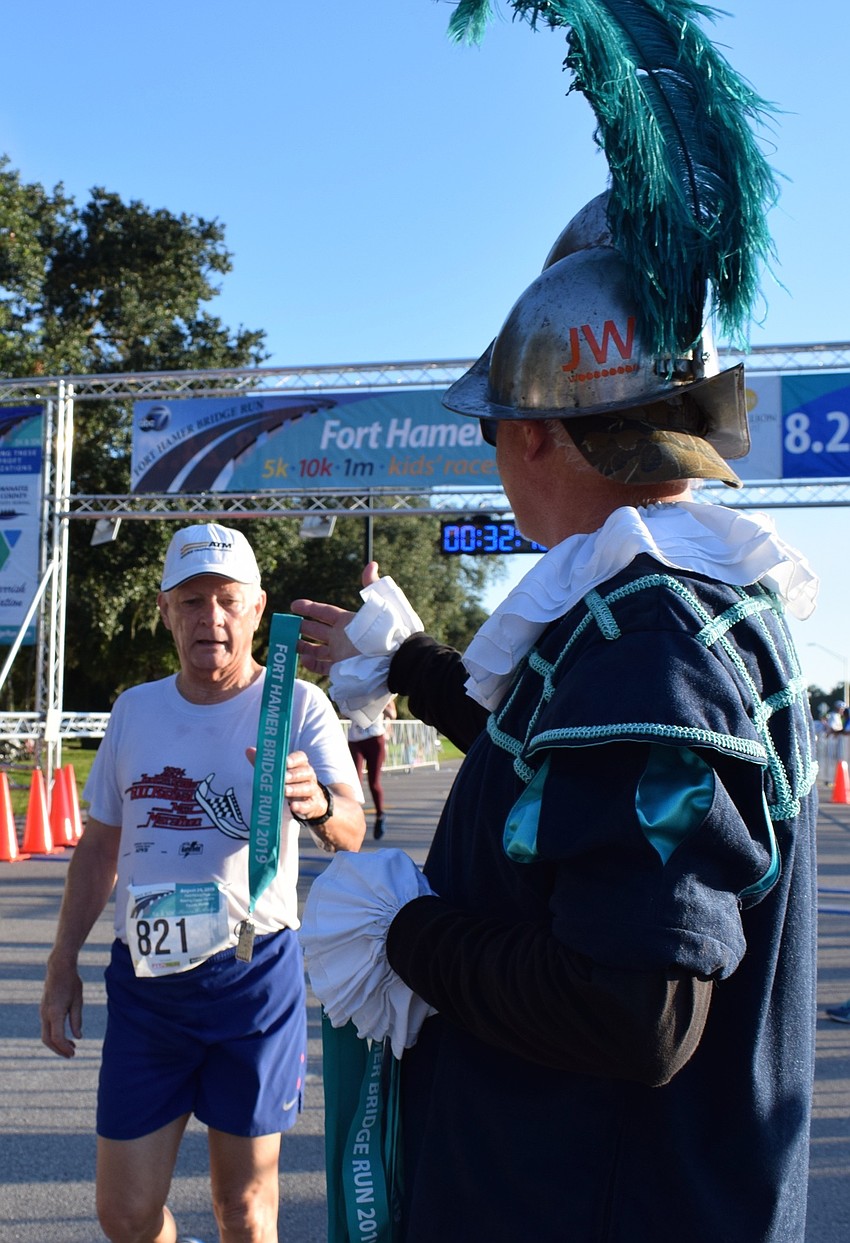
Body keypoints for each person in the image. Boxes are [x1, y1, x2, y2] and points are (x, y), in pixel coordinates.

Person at [291, 197, 820, 1242]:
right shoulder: (669, 604)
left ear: (533, 429)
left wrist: (404, 931)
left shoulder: (647, 643)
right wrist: (405, 662)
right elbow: (550, 761)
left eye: (491, 425)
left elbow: (632, 1008)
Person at [40, 522, 365, 1243]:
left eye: (225, 600)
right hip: (147, 984)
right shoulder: (136, 709)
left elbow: (354, 826)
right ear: (164, 610)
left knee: (244, 1210)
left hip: (250, 977)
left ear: (256, 608)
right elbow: (100, 846)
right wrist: (62, 960)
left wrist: (315, 804)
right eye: (190, 601)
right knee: (124, 1213)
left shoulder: (297, 706)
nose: (208, 618)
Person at [346, 697, 397, 838]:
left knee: (373, 782)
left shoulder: (381, 692)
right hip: (355, 739)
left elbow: (392, 715)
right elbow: (344, 712)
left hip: (374, 738)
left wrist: (376, 703)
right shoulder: (352, 688)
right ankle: (352, 820)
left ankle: (380, 816)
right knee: (355, 781)